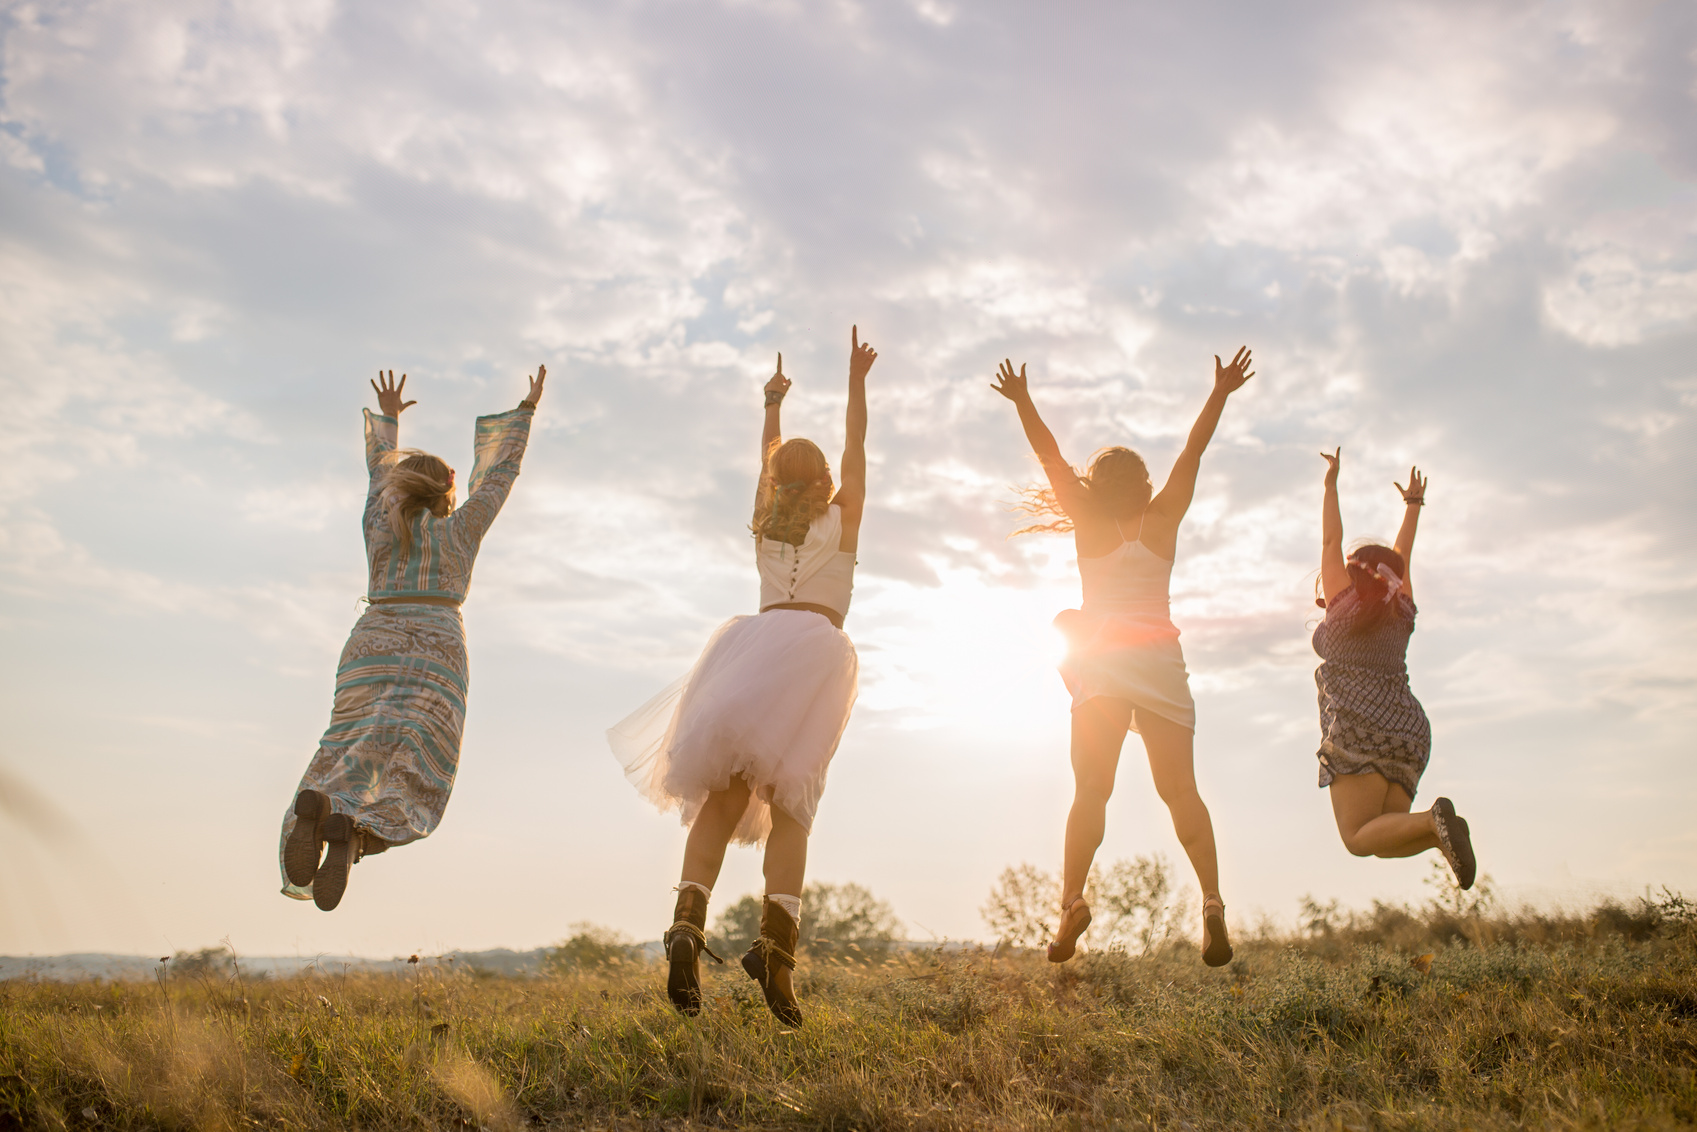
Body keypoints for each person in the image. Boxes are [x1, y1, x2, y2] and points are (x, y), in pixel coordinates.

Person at [609, 328, 877, 1024]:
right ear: (824, 482)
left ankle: (685, 928)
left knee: (722, 800)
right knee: (792, 809)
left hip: (748, 651)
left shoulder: (765, 522)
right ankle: (775, 954)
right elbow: (857, 446)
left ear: (777, 484)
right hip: (814, 652)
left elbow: (766, 468)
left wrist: (771, 404)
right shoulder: (842, 521)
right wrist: (855, 381)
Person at [992, 349, 1255, 967]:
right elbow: (1194, 450)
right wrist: (1218, 392)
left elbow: (1050, 457)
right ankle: (1212, 902)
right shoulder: (1164, 515)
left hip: (1104, 663)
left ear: (1097, 487)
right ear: (1142, 483)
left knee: (1091, 791)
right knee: (1181, 791)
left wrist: (1023, 401)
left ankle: (1071, 905)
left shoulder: (1085, 519)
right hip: (1161, 659)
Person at [279, 366, 545, 911]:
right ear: (448, 491)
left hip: (371, 645)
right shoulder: (460, 530)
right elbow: (499, 478)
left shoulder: (379, 525)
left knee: (347, 740)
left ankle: (328, 801)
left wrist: (389, 421)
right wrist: (523, 413)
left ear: (401, 490)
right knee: (418, 765)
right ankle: (355, 831)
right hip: (437, 652)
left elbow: (379, 472)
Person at [1313, 449, 1476, 887]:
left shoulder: (1344, 605)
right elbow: (1402, 554)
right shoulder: (1400, 608)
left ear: (1353, 570)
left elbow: (1331, 540)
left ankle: (1433, 823)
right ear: (1393, 579)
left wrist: (1331, 483)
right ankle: (1438, 828)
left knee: (1356, 838)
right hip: (1407, 729)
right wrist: (1413, 506)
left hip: (1359, 726)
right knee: (1384, 839)